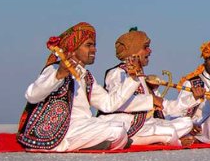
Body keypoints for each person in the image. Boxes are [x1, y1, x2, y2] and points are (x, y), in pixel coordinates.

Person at [17, 22, 144, 152]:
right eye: (88, 45)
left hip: (82, 126)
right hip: (62, 129)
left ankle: (93, 144)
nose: (94, 50)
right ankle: (67, 145)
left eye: (94, 45)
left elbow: (108, 104)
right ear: (73, 48)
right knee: (116, 131)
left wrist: (132, 78)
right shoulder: (55, 69)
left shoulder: (86, 77)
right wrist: (59, 75)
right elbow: (32, 96)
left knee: (120, 127)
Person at [103, 27, 205, 146]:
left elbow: (164, 106)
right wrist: (150, 100)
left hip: (146, 124)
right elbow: (115, 102)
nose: (150, 51)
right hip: (124, 124)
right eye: (145, 47)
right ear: (134, 51)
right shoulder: (117, 73)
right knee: (169, 132)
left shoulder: (142, 79)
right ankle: (173, 141)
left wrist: (193, 98)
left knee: (186, 123)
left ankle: (158, 139)